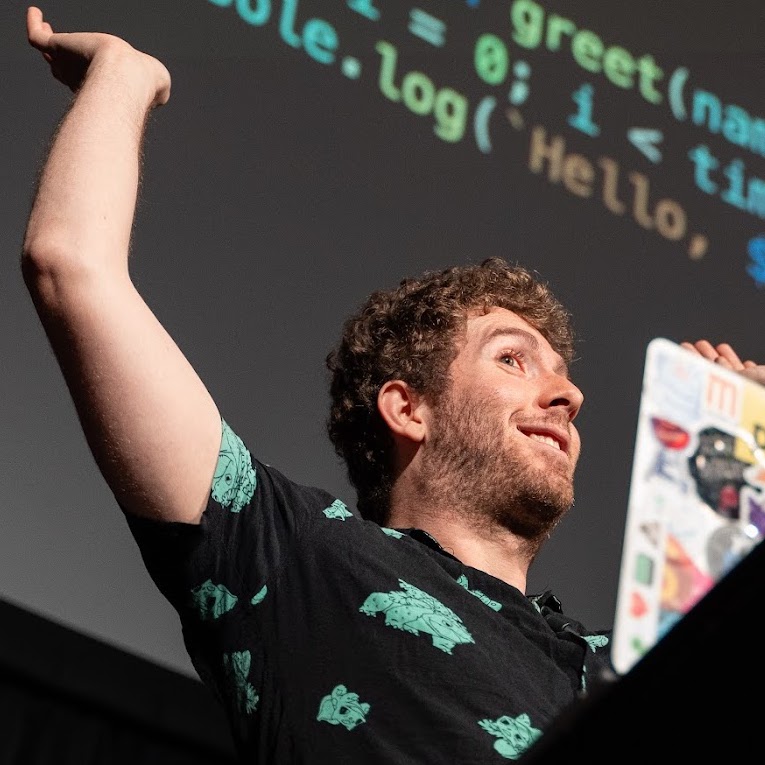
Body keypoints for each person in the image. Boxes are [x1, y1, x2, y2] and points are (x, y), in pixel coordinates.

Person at [21, 7, 765, 763]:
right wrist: (124, 75)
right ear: (407, 408)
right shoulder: (295, 556)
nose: (568, 396)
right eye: (512, 359)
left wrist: (734, 489)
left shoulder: (617, 663)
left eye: (562, 376)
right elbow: (72, 269)